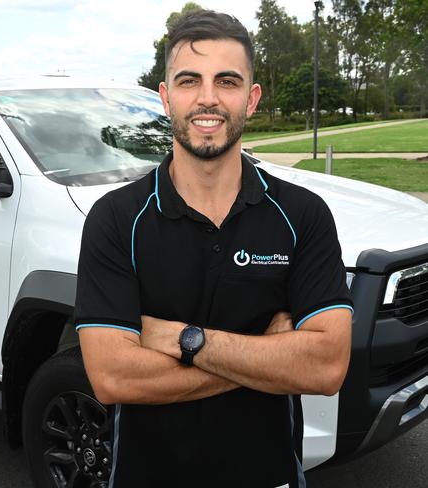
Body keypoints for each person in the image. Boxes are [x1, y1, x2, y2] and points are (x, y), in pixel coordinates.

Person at [74, 9, 353, 488]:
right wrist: (271, 357)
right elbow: (114, 378)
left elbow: (327, 367)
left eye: (227, 81)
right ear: (166, 98)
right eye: (189, 81)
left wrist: (186, 340)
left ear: (252, 98)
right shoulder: (116, 220)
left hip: (271, 476)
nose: (208, 99)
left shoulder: (303, 214)